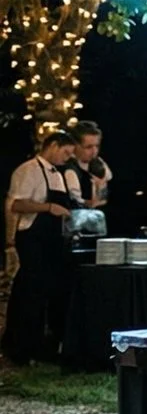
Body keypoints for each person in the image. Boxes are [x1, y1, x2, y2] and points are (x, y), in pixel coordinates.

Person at [3, 131, 80, 366]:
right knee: (30, 294)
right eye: (66, 152)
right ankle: (20, 347)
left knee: (49, 294)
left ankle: (42, 346)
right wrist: (48, 207)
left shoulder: (58, 173)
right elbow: (16, 203)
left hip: (53, 242)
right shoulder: (28, 169)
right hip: (33, 239)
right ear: (53, 145)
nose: (68, 157)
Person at [64, 120, 111, 237]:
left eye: (97, 146)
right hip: (78, 230)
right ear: (75, 145)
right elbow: (78, 205)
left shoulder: (99, 164)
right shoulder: (70, 170)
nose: (94, 151)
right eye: (88, 147)